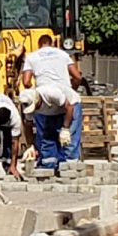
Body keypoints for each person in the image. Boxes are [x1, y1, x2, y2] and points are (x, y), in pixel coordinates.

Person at [21, 36, 86, 168]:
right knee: (48, 140)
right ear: (51, 43)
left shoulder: (32, 57)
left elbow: (26, 82)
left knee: (68, 140)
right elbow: (78, 77)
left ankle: (70, 171)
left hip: (70, 104)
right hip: (52, 106)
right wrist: (30, 146)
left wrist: (66, 129)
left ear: (39, 45)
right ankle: (48, 170)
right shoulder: (62, 54)